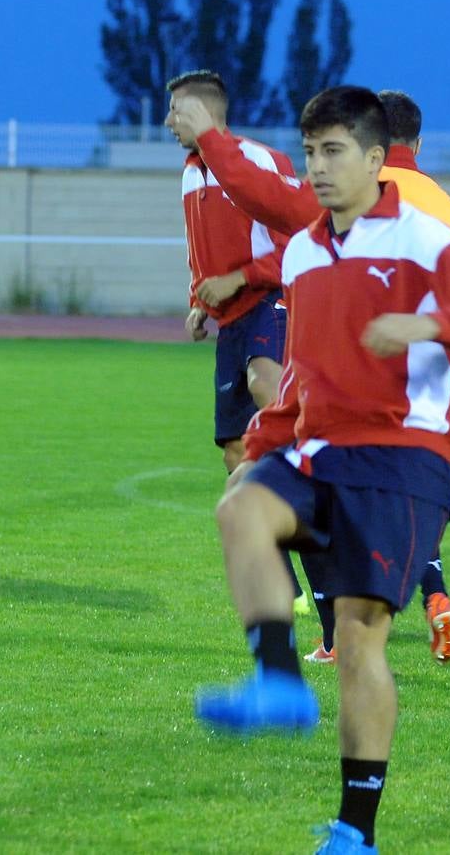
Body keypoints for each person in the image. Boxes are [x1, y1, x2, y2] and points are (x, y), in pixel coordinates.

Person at [193, 86, 450, 854]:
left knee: (358, 634)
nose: (316, 167)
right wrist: (267, 439)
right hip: (322, 447)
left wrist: (427, 321)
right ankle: (275, 680)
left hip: (406, 457)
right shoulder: (304, 250)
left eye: (333, 151)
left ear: (376, 159)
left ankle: (353, 831)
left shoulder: (423, 237)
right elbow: (303, 368)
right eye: (308, 152)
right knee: (240, 504)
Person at [171, 89, 450, 665]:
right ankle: (420, 600)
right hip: (425, 425)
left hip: (358, 412)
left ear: (371, 147)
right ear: (418, 142)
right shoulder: (449, 211)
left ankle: (312, 647)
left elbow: (269, 201)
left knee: (313, 529)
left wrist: (212, 137)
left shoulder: (355, 206)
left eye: (330, 148)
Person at [163, 69, 309, 613]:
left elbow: (300, 240)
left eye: (175, 111)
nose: (167, 122)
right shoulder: (189, 173)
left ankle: (326, 469)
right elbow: (201, 246)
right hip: (229, 318)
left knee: (265, 383)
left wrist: (240, 279)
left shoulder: (262, 161)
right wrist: (200, 298)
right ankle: (284, 576)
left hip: (272, 297)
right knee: (234, 450)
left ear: (204, 112)